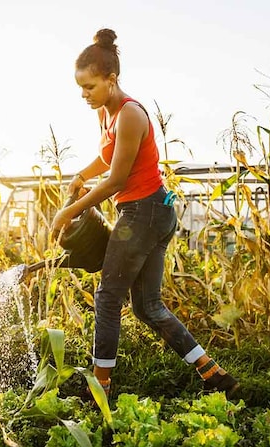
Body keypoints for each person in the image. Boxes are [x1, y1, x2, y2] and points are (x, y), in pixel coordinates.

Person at [50, 28, 240, 400]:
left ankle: (100, 388)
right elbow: (108, 158)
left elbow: (118, 179)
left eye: (89, 86)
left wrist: (68, 212)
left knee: (107, 298)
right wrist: (80, 176)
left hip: (144, 213)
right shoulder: (106, 114)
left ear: (111, 79)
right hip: (149, 213)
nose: (84, 95)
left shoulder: (130, 114)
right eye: (80, 88)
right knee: (147, 307)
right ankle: (214, 374)